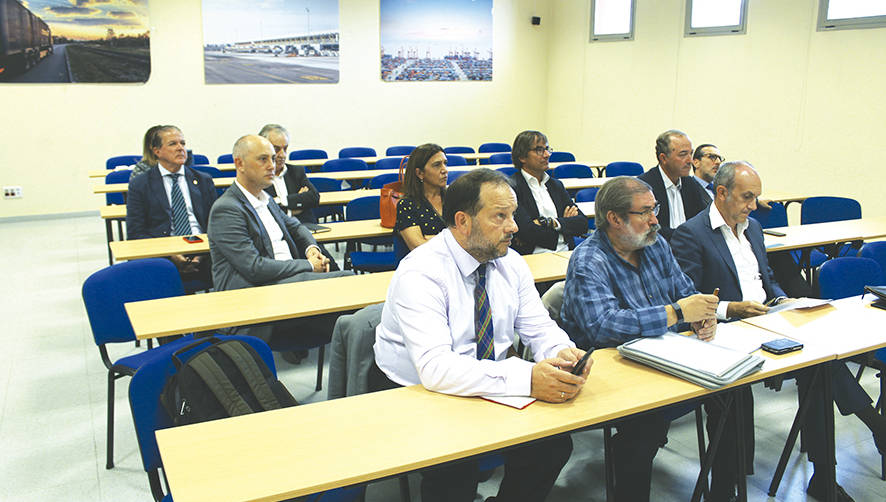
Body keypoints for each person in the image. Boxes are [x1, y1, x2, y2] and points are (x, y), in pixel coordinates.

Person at [374, 168, 590, 502]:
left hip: (492, 377)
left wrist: (562, 352)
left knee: (552, 446)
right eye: (500, 216)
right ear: (463, 221)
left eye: (513, 215)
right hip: (420, 390)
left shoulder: (511, 263)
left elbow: (539, 326)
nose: (514, 227)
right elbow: (435, 369)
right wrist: (527, 379)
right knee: (454, 468)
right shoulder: (421, 272)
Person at [672, 161, 884, 502]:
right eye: (747, 197)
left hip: (768, 319)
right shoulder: (690, 233)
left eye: (756, 197)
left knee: (821, 365)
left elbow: (766, 278)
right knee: (808, 372)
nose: (753, 206)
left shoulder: (753, 227)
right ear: (722, 193)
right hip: (726, 330)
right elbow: (686, 298)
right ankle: (874, 428)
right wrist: (731, 308)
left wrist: (783, 298)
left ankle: (824, 476)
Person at [560, 176, 737, 502]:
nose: (656, 219)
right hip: (615, 369)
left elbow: (686, 295)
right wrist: (677, 313)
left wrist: (702, 318)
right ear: (614, 218)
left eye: (655, 209)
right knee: (646, 426)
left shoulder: (656, 245)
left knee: (733, 393)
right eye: (645, 212)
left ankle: (725, 492)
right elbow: (602, 327)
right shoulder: (589, 260)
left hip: (666, 358)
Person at [207, 134, 352, 347]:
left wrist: (311, 249)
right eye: (263, 159)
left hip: (284, 283)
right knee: (347, 282)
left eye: (273, 159)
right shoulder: (227, 209)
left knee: (351, 307)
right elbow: (254, 268)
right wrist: (309, 265)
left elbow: (296, 227)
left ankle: (351, 370)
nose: (272, 166)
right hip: (257, 294)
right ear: (240, 164)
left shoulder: (265, 199)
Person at [126, 125, 216, 282]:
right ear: (157, 151)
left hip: (204, 250)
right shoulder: (140, 184)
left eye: (183, 143)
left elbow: (216, 223)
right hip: (162, 253)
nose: (181, 148)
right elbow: (136, 232)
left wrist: (200, 254)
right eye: (173, 144)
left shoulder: (203, 180)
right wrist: (171, 254)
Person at [508, 130, 587, 255]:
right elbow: (526, 231)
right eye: (539, 150)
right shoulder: (512, 188)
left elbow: (582, 223)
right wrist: (564, 227)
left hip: (567, 252)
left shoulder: (556, 185)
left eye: (547, 149)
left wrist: (550, 223)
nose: (546, 155)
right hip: (534, 256)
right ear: (522, 157)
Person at [637, 129, 709, 241]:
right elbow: (649, 229)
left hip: (691, 248)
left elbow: (702, 220)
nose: (690, 160)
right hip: (660, 249)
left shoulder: (691, 184)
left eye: (691, 153)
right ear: (663, 158)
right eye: (683, 154)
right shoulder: (644, 186)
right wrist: (686, 236)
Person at [258, 124, 320, 223]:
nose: (282, 155)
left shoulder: (296, 171)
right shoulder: (257, 176)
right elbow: (262, 210)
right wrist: (293, 207)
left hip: (305, 226)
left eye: (285, 148)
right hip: (274, 230)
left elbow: (314, 198)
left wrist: (281, 201)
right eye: (276, 149)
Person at [394, 143, 448, 253]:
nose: (444, 170)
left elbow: (471, 236)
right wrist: (454, 240)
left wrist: (429, 238)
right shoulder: (407, 205)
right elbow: (418, 247)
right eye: (437, 165)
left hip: (456, 265)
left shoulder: (454, 197)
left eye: (445, 163)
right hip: (424, 266)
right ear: (420, 173)